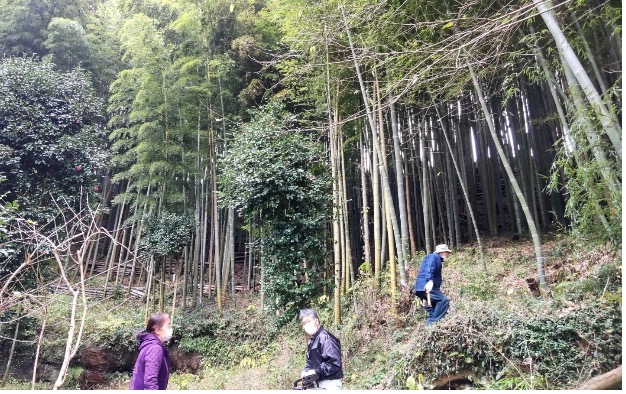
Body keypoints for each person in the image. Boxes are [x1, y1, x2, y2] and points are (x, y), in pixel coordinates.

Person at [299, 309, 343, 390]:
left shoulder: (326, 338)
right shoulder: (312, 341)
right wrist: (306, 371)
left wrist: (316, 371)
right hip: (319, 382)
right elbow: (309, 361)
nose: (306, 325)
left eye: (309, 321)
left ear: (316, 321)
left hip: (331, 383)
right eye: (304, 323)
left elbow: (334, 364)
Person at [129, 312, 172, 390]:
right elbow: (150, 381)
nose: (171, 328)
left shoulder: (149, 344)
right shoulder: (155, 348)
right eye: (168, 325)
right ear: (158, 330)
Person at [414, 244, 452, 325]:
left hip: (421, 288)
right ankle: (432, 324)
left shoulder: (435, 258)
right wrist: (429, 281)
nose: (448, 254)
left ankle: (430, 327)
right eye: (447, 252)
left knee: (434, 308)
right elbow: (429, 268)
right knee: (443, 301)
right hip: (426, 286)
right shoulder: (434, 257)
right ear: (442, 252)